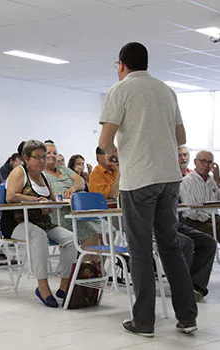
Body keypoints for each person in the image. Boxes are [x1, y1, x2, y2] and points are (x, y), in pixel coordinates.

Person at [99, 42, 197, 336]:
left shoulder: (120, 90)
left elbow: (104, 141)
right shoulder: (166, 90)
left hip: (139, 179)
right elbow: (181, 136)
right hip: (169, 179)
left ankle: (144, 322)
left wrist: (113, 151)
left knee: (140, 251)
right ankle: (188, 317)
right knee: (170, 246)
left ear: (121, 64)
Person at [2, 140, 76, 308]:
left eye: (44, 157)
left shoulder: (44, 177)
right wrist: (36, 200)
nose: (43, 161)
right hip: (17, 223)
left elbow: (49, 203)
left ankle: (64, 286)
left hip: (43, 222)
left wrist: (50, 207)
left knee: (70, 238)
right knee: (39, 236)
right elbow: (10, 196)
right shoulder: (18, 172)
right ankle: (43, 286)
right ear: (26, 158)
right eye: (38, 158)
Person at [43, 142, 99, 247]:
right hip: (60, 214)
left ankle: (96, 262)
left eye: (54, 153)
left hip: (79, 210)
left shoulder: (63, 169)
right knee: (91, 233)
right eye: (48, 152)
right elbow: (47, 194)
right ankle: (84, 262)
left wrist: (73, 188)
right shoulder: (41, 174)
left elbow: (81, 182)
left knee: (108, 230)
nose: (52, 155)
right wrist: (61, 196)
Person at [180, 150, 220, 239]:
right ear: (195, 162)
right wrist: (209, 218)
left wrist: (218, 180)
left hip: (214, 218)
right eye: (203, 161)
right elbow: (190, 210)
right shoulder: (186, 182)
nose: (206, 165)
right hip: (195, 220)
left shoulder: (214, 180)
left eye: (210, 162)